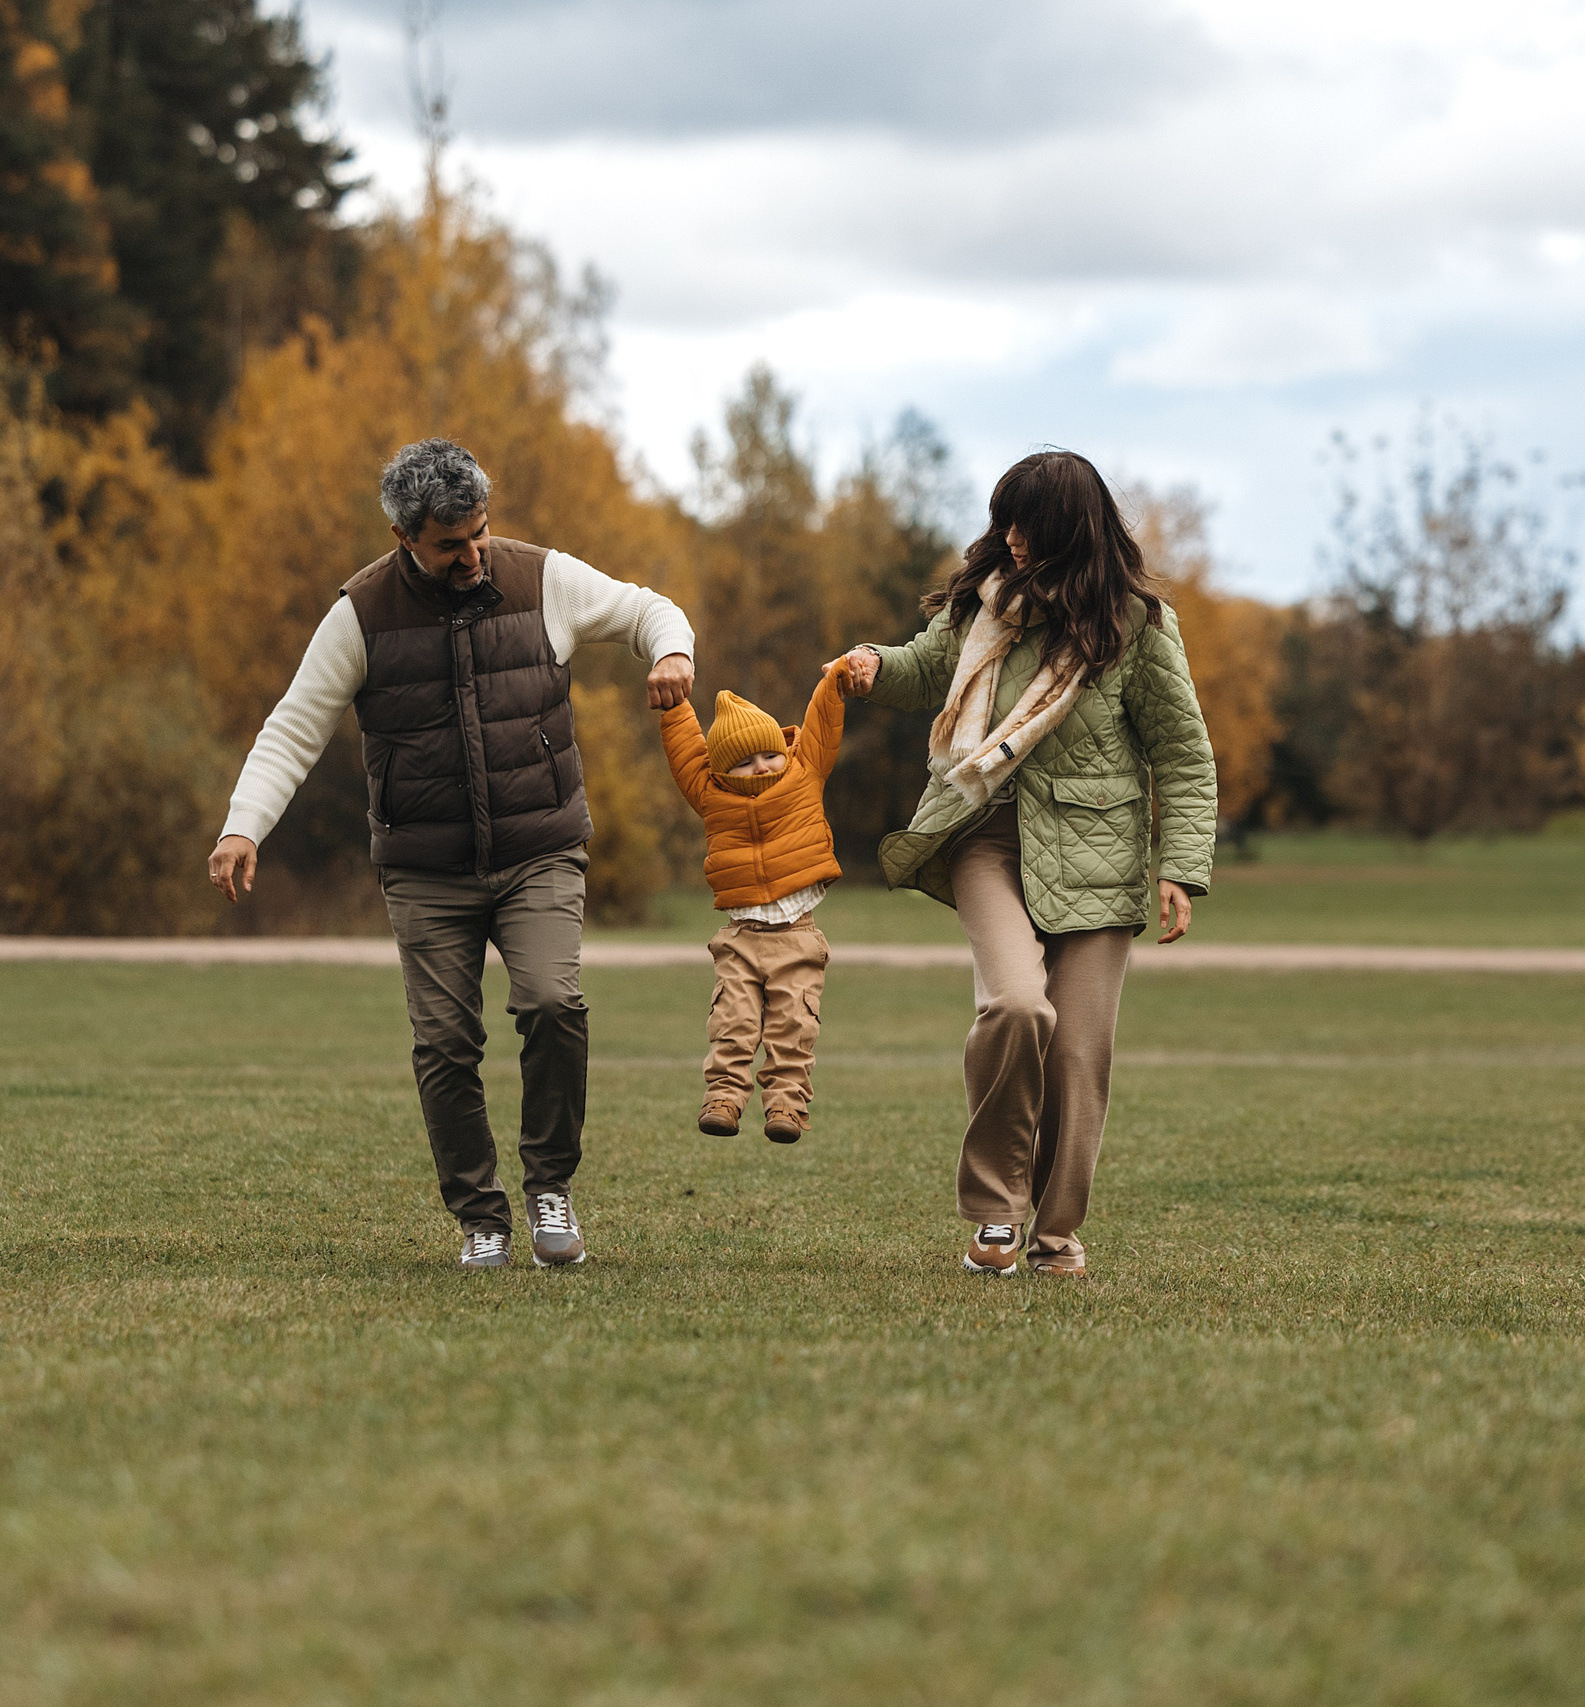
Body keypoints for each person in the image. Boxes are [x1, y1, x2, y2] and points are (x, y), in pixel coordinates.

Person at [209, 439, 696, 1271]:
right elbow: (296, 723)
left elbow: (650, 610)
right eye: (450, 544)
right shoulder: (360, 615)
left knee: (550, 1003)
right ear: (406, 538)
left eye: (479, 533)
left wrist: (672, 651)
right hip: (424, 865)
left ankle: (550, 1187)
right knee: (443, 1043)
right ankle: (482, 1217)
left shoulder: (541, 578)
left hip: (539, 846)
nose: (472, 555)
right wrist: (242, 823)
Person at [830, 450, 1215, 1278]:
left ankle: (1055, 1233)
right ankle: (997, 1211)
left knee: (1078, 1054)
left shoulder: (1137, 629)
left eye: (1026, 524)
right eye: (1003, 519)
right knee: (1015, 1008)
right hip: (985, 835)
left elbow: (1182, 755)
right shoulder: (984, 604)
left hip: (1099, 854)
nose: (1009, 537)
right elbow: (927, 668)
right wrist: (871, 665)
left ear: (1069, 531)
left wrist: (1181, 864)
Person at [658, 666, 848, 1144]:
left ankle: (787, 1106)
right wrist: (674, 703)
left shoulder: (804, 775)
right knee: (733, 1023)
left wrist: (833, 682)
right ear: (722, 772)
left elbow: (822, 725)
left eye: (769, 754)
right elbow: (685, 754)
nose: (762, 766)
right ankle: (723, 1097)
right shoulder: (711, 796)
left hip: (798, 938)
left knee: (794, 1028)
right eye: (745, 762)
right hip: (741, 939)